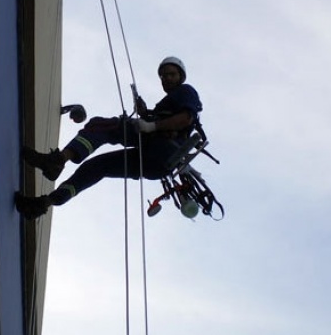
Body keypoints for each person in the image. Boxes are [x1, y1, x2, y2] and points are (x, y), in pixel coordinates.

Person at [15, 56, 203, 220]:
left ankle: (58, 161)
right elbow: (166, 119)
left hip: (160, 145)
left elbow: (186, 118)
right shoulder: (168, 103)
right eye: (163, 76)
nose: (166, 78)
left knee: (102, 126)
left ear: (181, 77)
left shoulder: (186, 91)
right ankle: (42, 204)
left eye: (171, 74)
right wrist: (146, 114)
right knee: (96, 168)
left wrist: (151, 125)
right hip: (158, 165)